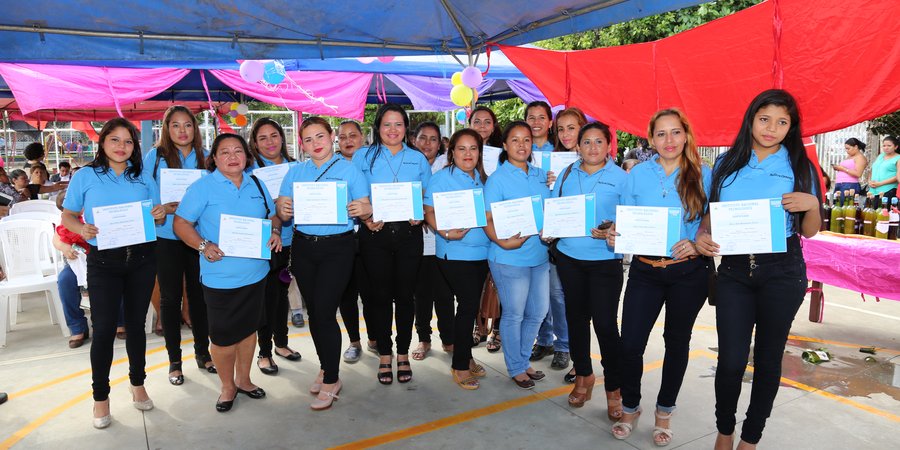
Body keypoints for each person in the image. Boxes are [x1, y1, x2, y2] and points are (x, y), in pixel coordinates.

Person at [695, 89, 821, 450]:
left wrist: (811, 203)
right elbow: (710, 216)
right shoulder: (726, 163)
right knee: (731, 361)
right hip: (735, 271)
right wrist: (704, 235)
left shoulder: (798, 165)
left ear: (791, 127)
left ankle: (750, 439)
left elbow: (810, 229)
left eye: (782, 122)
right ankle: (724, 430)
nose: (771, 128)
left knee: (767, 359)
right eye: (765, 119)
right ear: (751, 118)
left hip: (782, 270)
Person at [607, 109, 711, 446]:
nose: (669, 140)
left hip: (689, 274)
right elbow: (624, 221)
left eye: (675, 132)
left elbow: (714, 223)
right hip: (644, 271)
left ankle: (664, 411)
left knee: (677, 343)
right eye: (661, 134)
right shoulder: (636, 174)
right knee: (631, 344)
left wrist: (696, 245)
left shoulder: (704, 173)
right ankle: (631, 406)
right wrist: (614, 235)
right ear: (651, 139)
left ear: (686, 135)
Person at [61, 118, 166, 429]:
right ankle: (100, 398)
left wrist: (159, 213)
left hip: (143, 259)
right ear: (103, 143)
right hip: (104, 262)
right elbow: (67, 215)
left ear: (135, 146)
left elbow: (156, 216)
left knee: (135, 327)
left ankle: (138, 384)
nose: (122, 147)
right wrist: (80, 227)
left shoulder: (144, 177)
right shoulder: (86, 176)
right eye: (115, 140)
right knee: (104, 330)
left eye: (128, 141)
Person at [174, 133, 281, 413]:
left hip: (256, 274)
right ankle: (227, 386)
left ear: (247, 155)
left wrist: (276, 230)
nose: (233, 157)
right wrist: (203, 244)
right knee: (222, 338)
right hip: (220, 277)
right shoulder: (203, 188)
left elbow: (272, 215)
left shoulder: (256, 182)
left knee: (248, 332)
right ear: (214, 159)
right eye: (225, 152)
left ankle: (244, 381)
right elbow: (181, 223)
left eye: (238, 151)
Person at [276, 117, 372, 410]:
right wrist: (282, 208)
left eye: (320, 136)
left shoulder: (351, 170)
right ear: (301, 144)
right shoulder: (295, 172)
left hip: (338, 249)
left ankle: (332, 379)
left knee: (325, 311)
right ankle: (325, 365)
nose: (315, 143)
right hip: (304, 247)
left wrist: (365, 209)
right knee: (316, 313)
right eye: (308, 139)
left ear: (332, 137)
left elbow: (367, 210)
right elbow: (282, 210)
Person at [352, 104, 431, 385]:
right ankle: (385, 353)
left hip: (409, 235)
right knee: (380, 297)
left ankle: (402, 354)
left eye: (398, 124)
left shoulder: (417, 158)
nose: (393, 130)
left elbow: (427, 195)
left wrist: (420, 212)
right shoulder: (363, 157)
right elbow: (354, 193)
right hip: (375, 234)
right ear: (378, 127)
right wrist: (365, 217)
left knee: (406, 297)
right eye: (387, 124)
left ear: (406, 128)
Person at [142, 105, 215, 386]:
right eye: (175, 125)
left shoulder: (205, 157)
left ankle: (202, 353)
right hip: (167, 238)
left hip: (197, 237)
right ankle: (175, 361)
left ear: (195, 129)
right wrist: (160, 207)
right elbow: (145, 191)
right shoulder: (155, 156)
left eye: (187, 125)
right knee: (170, 299)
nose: (182, 131)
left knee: (199, 298)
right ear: (166, 128)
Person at [483, 121, 551, 390]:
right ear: (505, 145)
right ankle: (515, 366)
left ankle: (523, 360)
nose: (522, 145)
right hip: (508, 257)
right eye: (515, 140)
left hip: (540, 255)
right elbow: (487, 219)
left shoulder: (541, 175)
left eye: (526, 140)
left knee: (538, 312)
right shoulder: (498, 179)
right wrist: (504, 242)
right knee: (514, 314)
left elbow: (551, 210)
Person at [424, 129, 491, 389]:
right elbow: (428, 211)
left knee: (471, 307)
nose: (468, 154)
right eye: (461, 148)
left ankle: (466, 355)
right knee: (467, 306)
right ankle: (460, 365)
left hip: (482, 252)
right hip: (455, 253)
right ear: (451, 152)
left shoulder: (484, 180)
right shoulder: (441, 179)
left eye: (473, 148)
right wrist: (444, 230)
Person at [532, 107, 589, 371]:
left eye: (572, 128)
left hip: (578, 245)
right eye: (562, 129)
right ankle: (546, 341)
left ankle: (565, 346)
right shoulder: (551, 161)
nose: (566, 134)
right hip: (549, 237)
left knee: (562, 297)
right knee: (547, 294)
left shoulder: (591, 159)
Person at [248, 117, 302, 375]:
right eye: (262, 138)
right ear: (255, 144)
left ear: (282, 137)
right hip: (267, 242)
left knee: (282, 295)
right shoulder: (251, 172)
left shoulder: (296, 167)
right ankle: (265, 352)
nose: (270, 142)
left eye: (274, 135)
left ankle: (281, 343)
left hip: (293, 240)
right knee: (266, 298)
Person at [411, 121, 455, 361]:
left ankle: (449, 339)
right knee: (421, 295)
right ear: (414, 140)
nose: (427, 143)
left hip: (442, 240)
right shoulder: (405, 166)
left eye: (433, 139)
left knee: (445, 294)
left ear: (440, 144)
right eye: (423, 138)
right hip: (416, 241)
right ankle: (424, 338)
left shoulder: (446, 168)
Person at [336, 120, 376, 362]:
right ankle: (354, 341)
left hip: (371, 235)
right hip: (342, 239)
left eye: (353, 135)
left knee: (371, 293)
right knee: (346, 295)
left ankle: (374, 337)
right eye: (342, 137)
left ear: (362, 138)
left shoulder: (373, 165)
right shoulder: (332, 167)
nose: (348, 140)